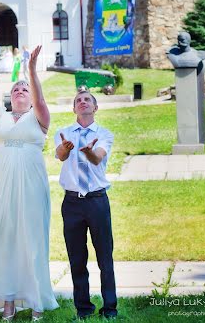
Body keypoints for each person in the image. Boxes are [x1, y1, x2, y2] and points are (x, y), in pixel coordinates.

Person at [0, 44, 58, 320]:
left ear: (31, 97)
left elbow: (42, 101)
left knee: (31, 237)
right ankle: (8, 300)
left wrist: (31, 70)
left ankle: (35, 300)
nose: (20, 91)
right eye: (16, 90)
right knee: (4, 238)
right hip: (1, 185)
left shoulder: (39, 118)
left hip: (31, 184)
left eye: (25, 89)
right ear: (10, 98)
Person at [55, 91, 118, 320]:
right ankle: (83, 308)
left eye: (87, 100)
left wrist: (88, 151)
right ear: (74, 109)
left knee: (104, 256)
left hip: (96, 201)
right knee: (77, 258)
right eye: (78, 100)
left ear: (95, 107)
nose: (82, 102)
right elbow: (60, 156)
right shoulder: (63, 133)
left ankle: (109, 307)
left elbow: (97, 158)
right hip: (72, 203)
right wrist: (66, 148)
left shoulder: (104, 134)